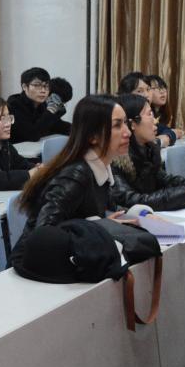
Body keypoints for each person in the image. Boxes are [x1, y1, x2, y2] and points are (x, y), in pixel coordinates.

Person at [9, 95, 131, 270]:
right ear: (93, 136)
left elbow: (84, 219)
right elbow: (44, 234)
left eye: (126, 123)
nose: (128, 132)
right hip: (33, 267)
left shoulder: (100, 168)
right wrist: (98, 227)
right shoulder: (75, 176)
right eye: (117, 125)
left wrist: (105, 224)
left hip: (66, 261)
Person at [111, 93, 185, 211]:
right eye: (149, 114)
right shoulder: (115, 159)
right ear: (132, 124)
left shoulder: (150, 150)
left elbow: (167, 181)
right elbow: (131, 200)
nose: (155, 121)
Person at [7, 66, 72, 142]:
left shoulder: (42, 105)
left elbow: (59, 126)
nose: (43, 90)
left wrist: (80, 131)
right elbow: (32, 135)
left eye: (46, 86)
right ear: (24, 87)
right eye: (37, 85)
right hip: (17, 147)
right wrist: (50, 111)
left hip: (34, 148)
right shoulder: (14, 104)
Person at [146, 74, 184, 142]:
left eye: (163, 87)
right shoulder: (145, 113)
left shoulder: (166, 113)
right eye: (156, 88)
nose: (162, 91)